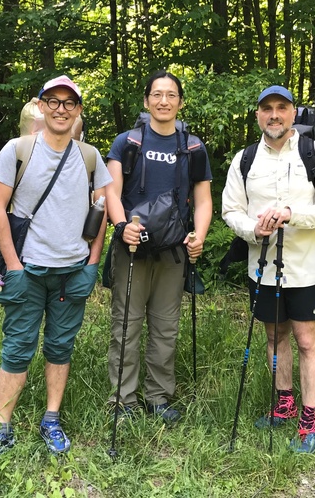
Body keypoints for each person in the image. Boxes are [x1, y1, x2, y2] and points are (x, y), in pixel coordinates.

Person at [0, 75, 113, 469]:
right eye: (53, 101)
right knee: (17, 347)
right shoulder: (17, 150)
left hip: (72, 272)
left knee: (60, 346)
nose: (61, 109)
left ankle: (51, 419)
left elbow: (101, 211)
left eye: (69, 103)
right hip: (28, 270)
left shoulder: (90, 156)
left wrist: (92, 263)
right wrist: (13, 266)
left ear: (78, 110)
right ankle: (2, 429)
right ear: (41, 105)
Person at [221, 85, 315, 453]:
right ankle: (284, 403)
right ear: (258, 115)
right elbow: (231, 210)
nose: (274, 115)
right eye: (267, 108)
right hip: (261, 268)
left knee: (306, 340)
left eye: (281, 108)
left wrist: (291, 215)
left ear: (292, 113)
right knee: (275, 337)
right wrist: (252, 229)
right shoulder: (244, 160)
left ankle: (308, 420)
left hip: (305, 268)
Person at [105, 70, 213, 423]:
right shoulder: (127, 143)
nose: (163, 101)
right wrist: (121, 227)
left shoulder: (193, 147)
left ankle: (158, 398)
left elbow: (203, 199)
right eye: (157, 94)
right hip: (132, 247)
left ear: (180, 102)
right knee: (126, 324)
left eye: (171, 95)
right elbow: (111, 191)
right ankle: (123, 401)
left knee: (166, 326)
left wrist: (198, 236)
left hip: (173, 249)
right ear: (146, 100)